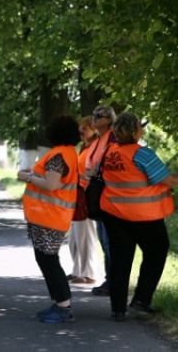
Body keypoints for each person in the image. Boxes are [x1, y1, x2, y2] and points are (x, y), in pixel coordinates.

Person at [99, 111, 178, 322]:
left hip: (114, 214)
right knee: (156, 252)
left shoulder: (110, 152)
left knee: (120, 261)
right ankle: (141, 302)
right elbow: (170, 180)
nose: (142, 129)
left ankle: (118, 310)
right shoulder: (142, 154)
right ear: (135, 131)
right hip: (144, 216)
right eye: (140, 127)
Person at [17, 115, 82, 323]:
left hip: (49, 216)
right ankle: (60, 303)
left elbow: (51, 185)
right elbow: (53, 179)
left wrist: (27, 177)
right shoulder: (69, 153)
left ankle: (63, 306)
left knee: (49, 260)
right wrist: (34, 173)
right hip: (52, 216)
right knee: (47, 259)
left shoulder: (59, 156)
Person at [84, 104, 117, 296]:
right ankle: (110, 279)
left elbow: (109, 164)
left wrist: (94, 172)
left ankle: (113, 281)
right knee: (104, 242)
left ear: (110, 118)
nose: (95, 118)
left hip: (109, 196)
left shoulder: (113, 137)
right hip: (98, 195)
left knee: (109, 242)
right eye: (95, 114)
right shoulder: (99, 139)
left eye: (100, 115)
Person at [66, 116, 104, 286]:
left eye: (85, 128)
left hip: (87, 195)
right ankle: (77, 270)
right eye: (80, 128)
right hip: (77, 193)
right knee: (74, 236)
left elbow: (93, 172)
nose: (81, 131)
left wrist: (79, 176)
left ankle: (88, 273)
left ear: (95, 129)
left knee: (85, 234)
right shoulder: (84, 147)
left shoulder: (95, 147)